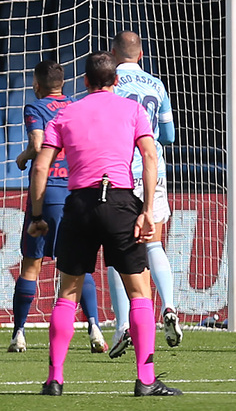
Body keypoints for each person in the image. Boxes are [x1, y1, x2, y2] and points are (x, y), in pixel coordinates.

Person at [30, 52, 181, 397]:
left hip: (80, 204)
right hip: (120, 202)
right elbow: (149, 154)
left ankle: (55, 379)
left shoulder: (67, 112)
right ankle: (145, 380)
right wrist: (146, 211)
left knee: (67, 293)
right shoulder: (133, 110)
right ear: (115, 82)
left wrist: (38, 216)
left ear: (84, 82)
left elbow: (40, 167)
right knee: (139, 292)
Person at [9, 61, 106, 354]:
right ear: (63, 84)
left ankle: (19, 334)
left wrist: (23, 156)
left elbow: (38, 144)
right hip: (77, 191)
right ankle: (95, 329)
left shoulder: (34, 107)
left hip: (48, 191)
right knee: (79, 266)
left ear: (37, 85)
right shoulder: (76, 108)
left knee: (32, 263)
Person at [108, 31, 181, 356]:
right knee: (154, 243)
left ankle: (122, 326)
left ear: (113, 53)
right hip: (154, 173)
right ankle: (169, 307)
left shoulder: (109, 84)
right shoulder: (156, 85)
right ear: (140, 55)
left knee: (116, 252)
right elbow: (168, 134)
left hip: (120, 174)